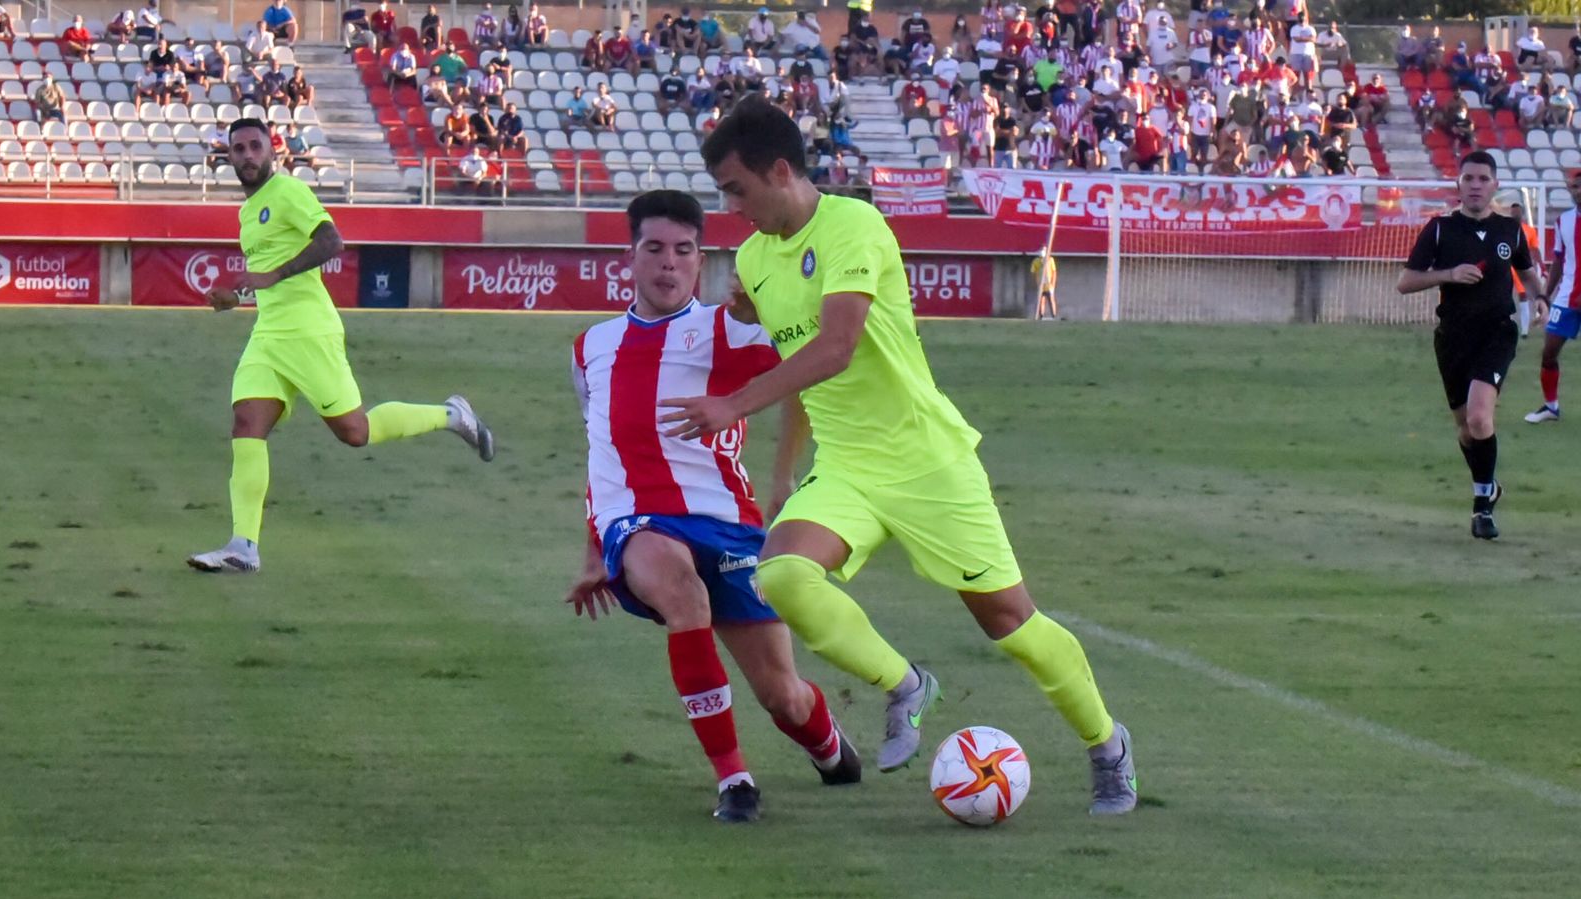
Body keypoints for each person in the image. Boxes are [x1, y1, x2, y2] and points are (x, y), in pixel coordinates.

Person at [672, 97, 1140, 815]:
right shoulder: (757, 259)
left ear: (779, 170)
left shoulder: (853, 225)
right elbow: (802, 367)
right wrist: (782, 472)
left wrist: (734, 406)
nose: (730, 207)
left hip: (927, 460)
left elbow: (836, 347)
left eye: (736, 189)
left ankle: (1107, 744)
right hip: (849, 466)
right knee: (785, 575)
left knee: (1010, 624)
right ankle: (905, 685)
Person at [567, 190, 862, 824]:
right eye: (654, 249)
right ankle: (734, 780)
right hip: (639, 525)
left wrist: (783, 476)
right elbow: (601, 451)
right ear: (630, 257)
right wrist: (595, 546)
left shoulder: (730, 330)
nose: (668, 264)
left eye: (683, 251)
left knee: (783, 696)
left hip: (728, 524)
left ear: (701, 261)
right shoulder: (591, 347)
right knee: (682, 594)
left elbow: (808, 378)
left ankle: (830, 748)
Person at [187, 118, 494, 574]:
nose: (247, 156)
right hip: (270, 334)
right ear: (227, 157)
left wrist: (270, 276)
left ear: (272, 150)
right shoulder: (249, 211)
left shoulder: (288, 192)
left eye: (255, 147)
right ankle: (243, 546)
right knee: (246, 424)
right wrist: (240, 295)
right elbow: (269, 270)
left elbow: (332, 241)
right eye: (238, 149)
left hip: (309, 331)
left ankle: (452, 416)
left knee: (356, 432)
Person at [1396, 151, 1543, 540]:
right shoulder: (1440, 229)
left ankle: (1482, 509)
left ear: (1494, 184)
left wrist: (1540, 297)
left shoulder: (1510, 230)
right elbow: (1406, 281)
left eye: (1482, 179)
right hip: (1453, 338)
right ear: (1458, 185)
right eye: (1468, 179)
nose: (1475, 185)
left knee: (1480, 417)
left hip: (1496, 331)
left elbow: (1527, 272)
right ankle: (1488, 485)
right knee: (1467, 429)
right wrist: (1448, 274)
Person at [1526, 170, 1581, 424]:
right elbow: (1559, 260)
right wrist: (1545, 296)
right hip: (1567, 298)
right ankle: (1551, 406)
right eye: (1575, 186)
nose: (1578, 190)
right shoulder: (1563, 221)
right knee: (1548, 353)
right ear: (1569, 189)